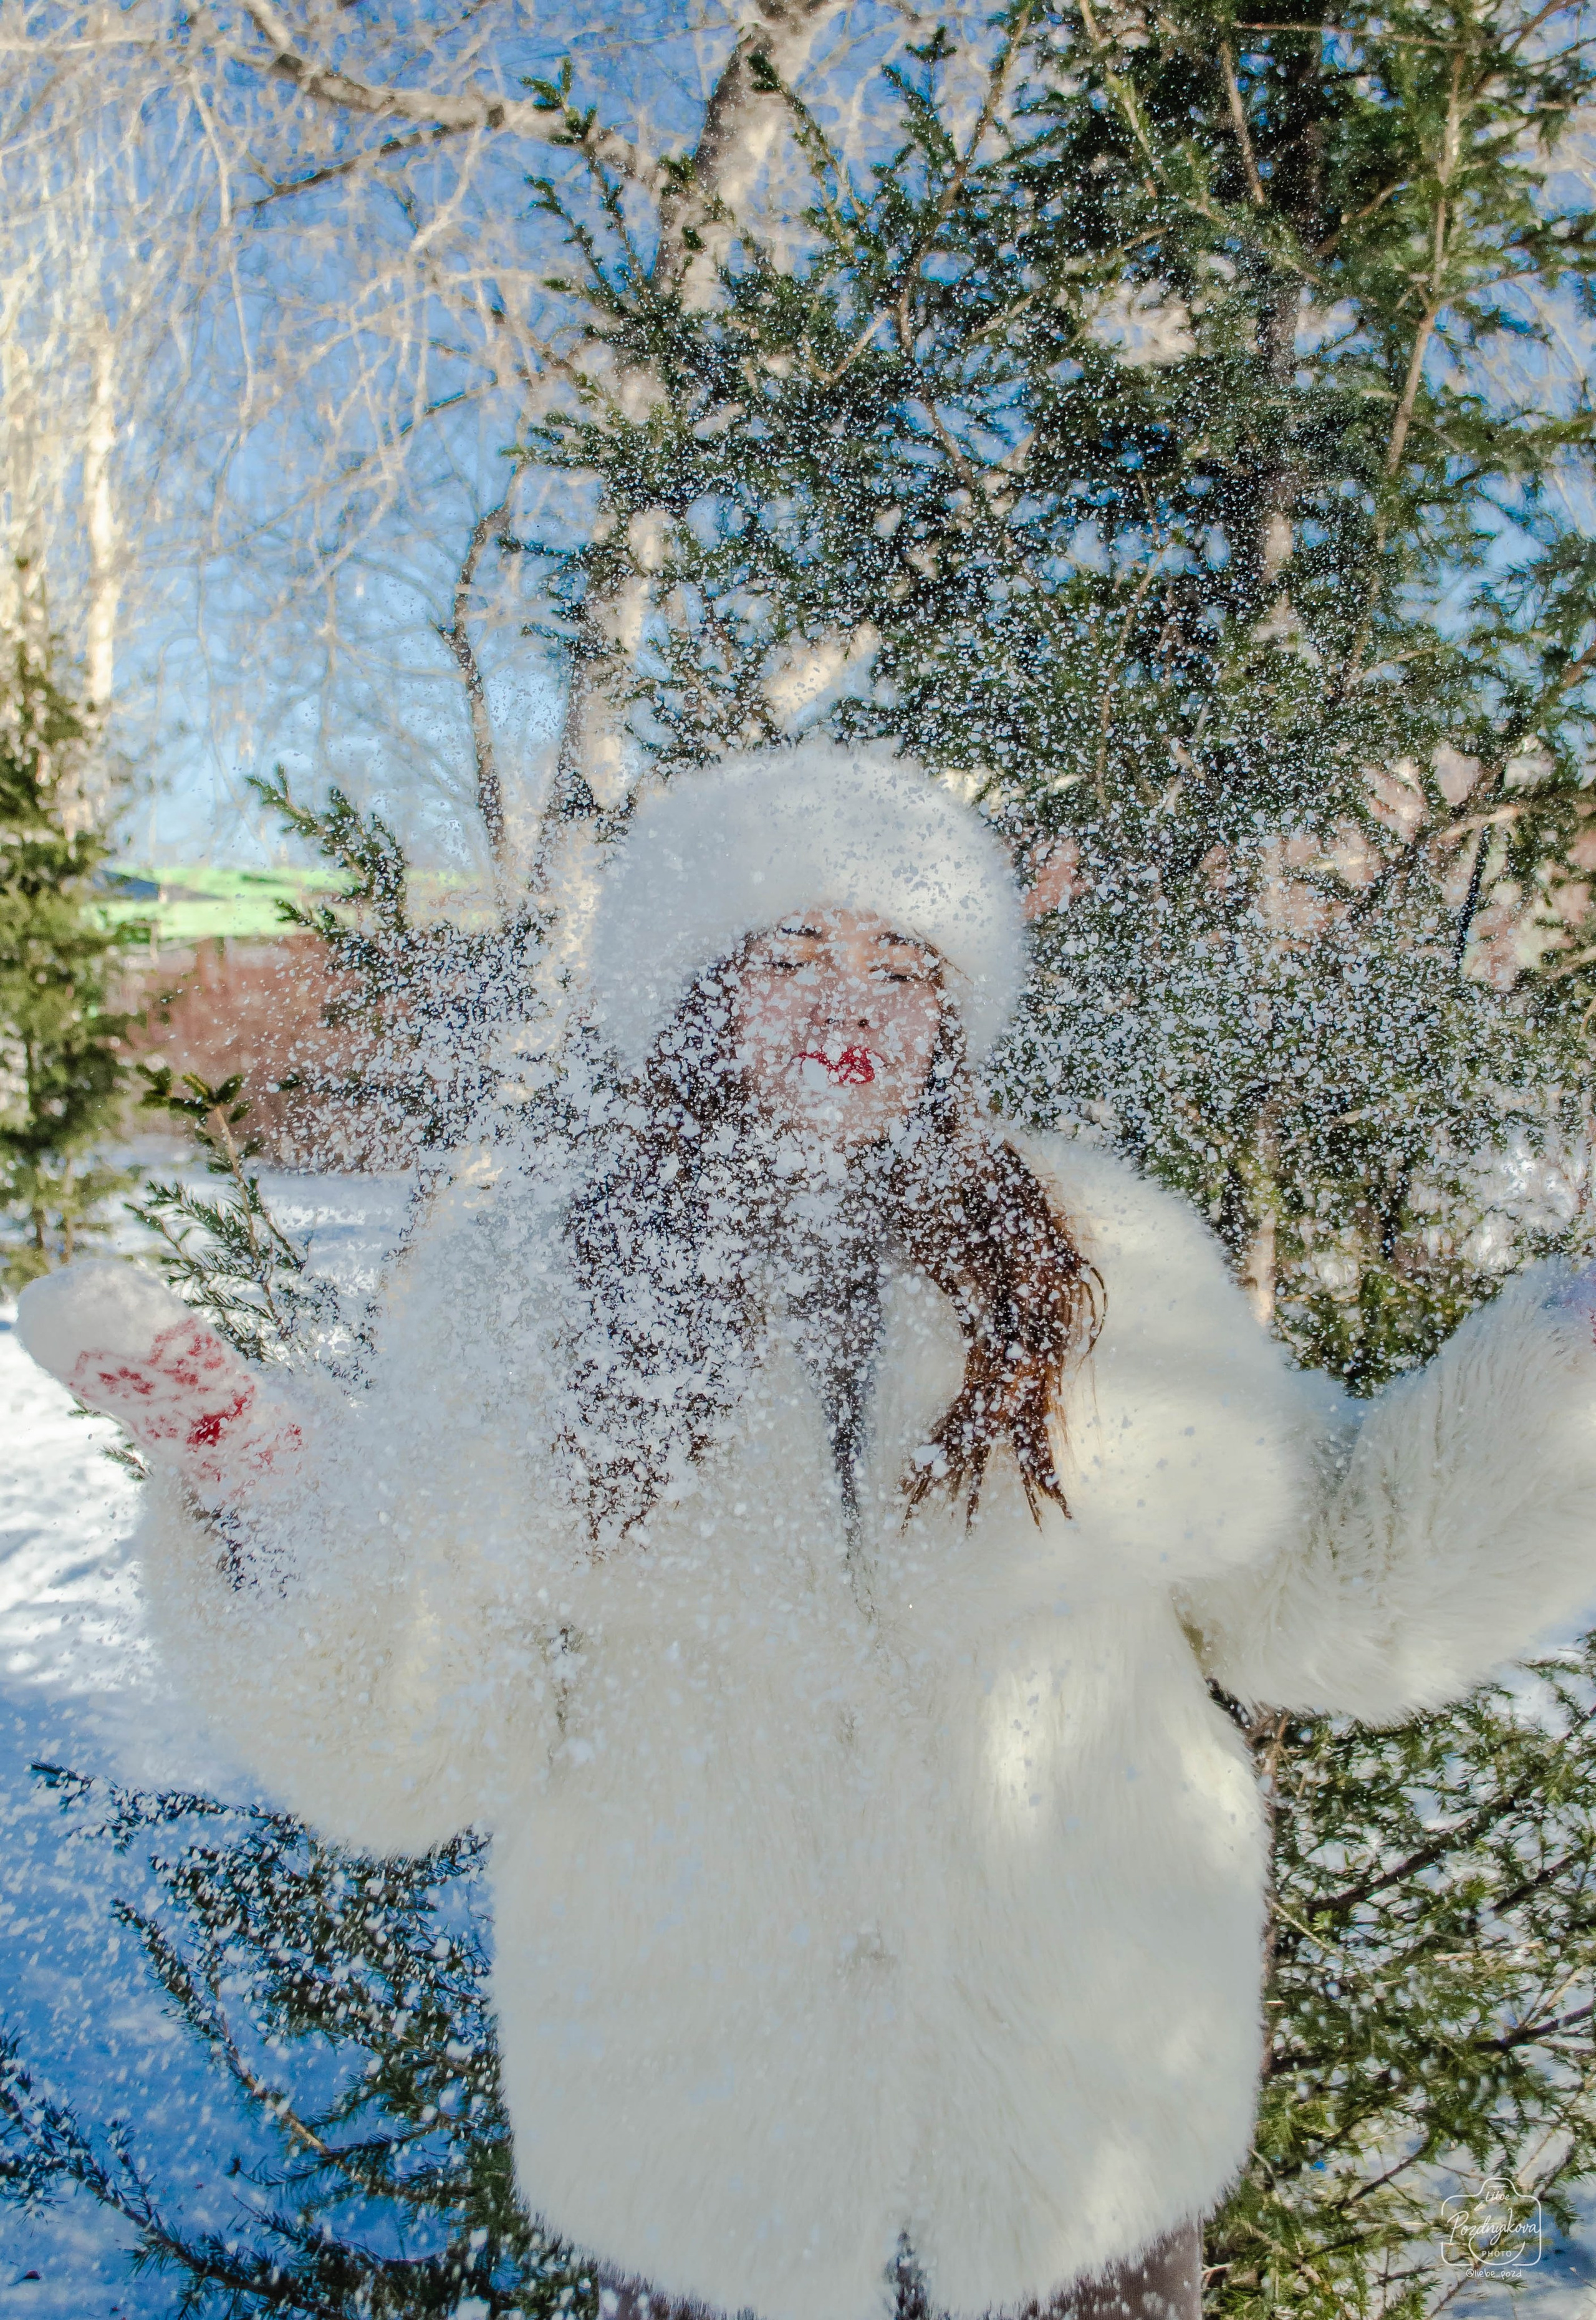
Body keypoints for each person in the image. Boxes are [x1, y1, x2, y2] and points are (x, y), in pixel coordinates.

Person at [18, 739, 1596, 2320]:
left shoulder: (1094, 1257)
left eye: (904, 968)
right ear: (691, 992)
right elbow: (425, 1741)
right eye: (791, 955)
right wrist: (282, 1514)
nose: (855, 1005)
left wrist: (1564, 1370)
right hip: (706, 2135)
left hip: (1078, 2117)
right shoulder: (534, 1294)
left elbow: (1324, 1581)